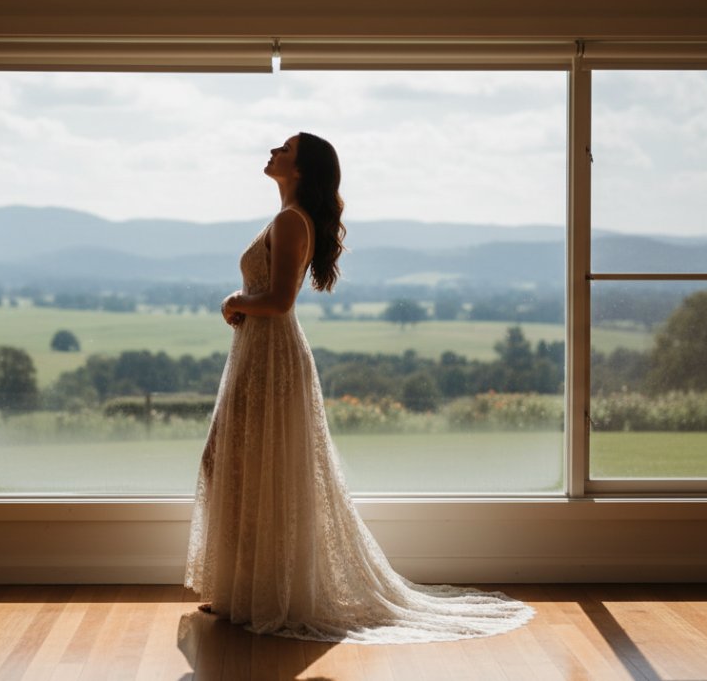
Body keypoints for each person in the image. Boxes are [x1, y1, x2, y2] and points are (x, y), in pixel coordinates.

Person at [183, 132, 534, 644]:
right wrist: (244, 306)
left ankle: (262, 592)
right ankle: (248, 590)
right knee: (240, 464)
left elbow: (280, 300)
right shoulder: (289, 218)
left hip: (271, 354)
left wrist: (233, 300)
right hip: (260, 354)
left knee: (247, 465)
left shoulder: (288, 220)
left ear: (300, 169)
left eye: (284, 148)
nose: (273, 151)